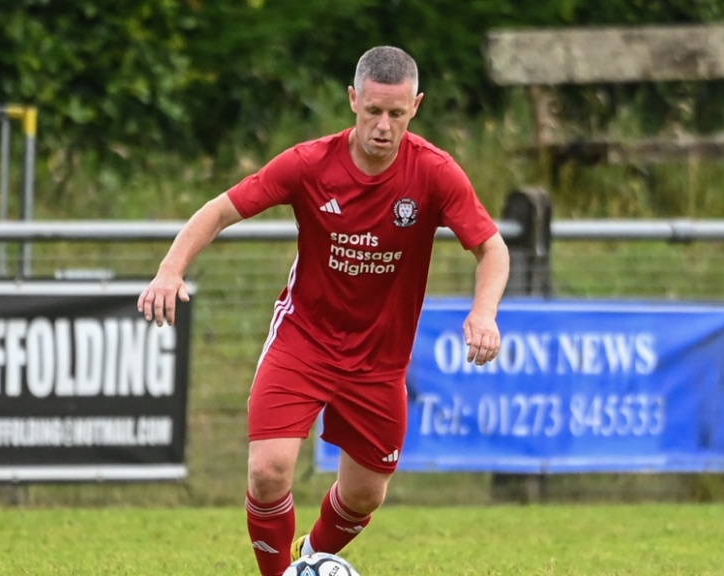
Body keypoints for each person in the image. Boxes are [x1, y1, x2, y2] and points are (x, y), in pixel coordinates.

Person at [138, 45, 509, 576]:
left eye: (397, 114)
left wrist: (484, 313)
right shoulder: (310, 163)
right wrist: (170, 271)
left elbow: (492, 248)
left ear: (416, 107)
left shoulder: (435, 173)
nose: (383, 126)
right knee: (269, 472)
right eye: (373, 111)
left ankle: (310, 560)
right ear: (353, 100)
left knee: (364, 496)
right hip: (304, 340)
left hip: (380, 360)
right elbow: (220, 209)